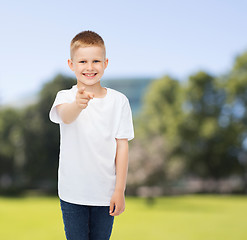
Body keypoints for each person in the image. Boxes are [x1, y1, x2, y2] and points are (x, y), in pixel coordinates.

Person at [49, 30, 134, 240]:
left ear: (106, 63)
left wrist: (119, 190)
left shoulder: (119, 101)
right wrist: (78, 105)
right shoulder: (65, 96)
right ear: (71, 64)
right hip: (72, 192)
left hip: (106, 195)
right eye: (82, 61)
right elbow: (65, 116)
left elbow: (122, 146)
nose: (89, 67)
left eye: (96, 61)